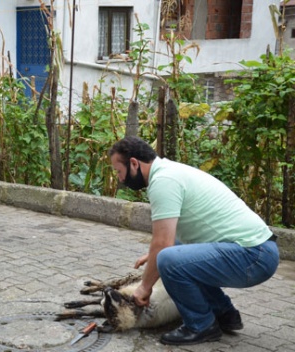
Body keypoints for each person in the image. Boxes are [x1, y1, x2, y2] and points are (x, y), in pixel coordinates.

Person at [108, 136, 279, 346]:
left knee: (168, 260)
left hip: (254, 255)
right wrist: (153, 255)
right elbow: (171, 242)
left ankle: (201, 325)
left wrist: (144, 287)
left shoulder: (163, 181)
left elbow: (163, 244)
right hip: (258, 251)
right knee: (172, 255)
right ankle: (224, 314)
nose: (119, 179)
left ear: (134, 163)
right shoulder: (169, 172)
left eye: (118, 171)